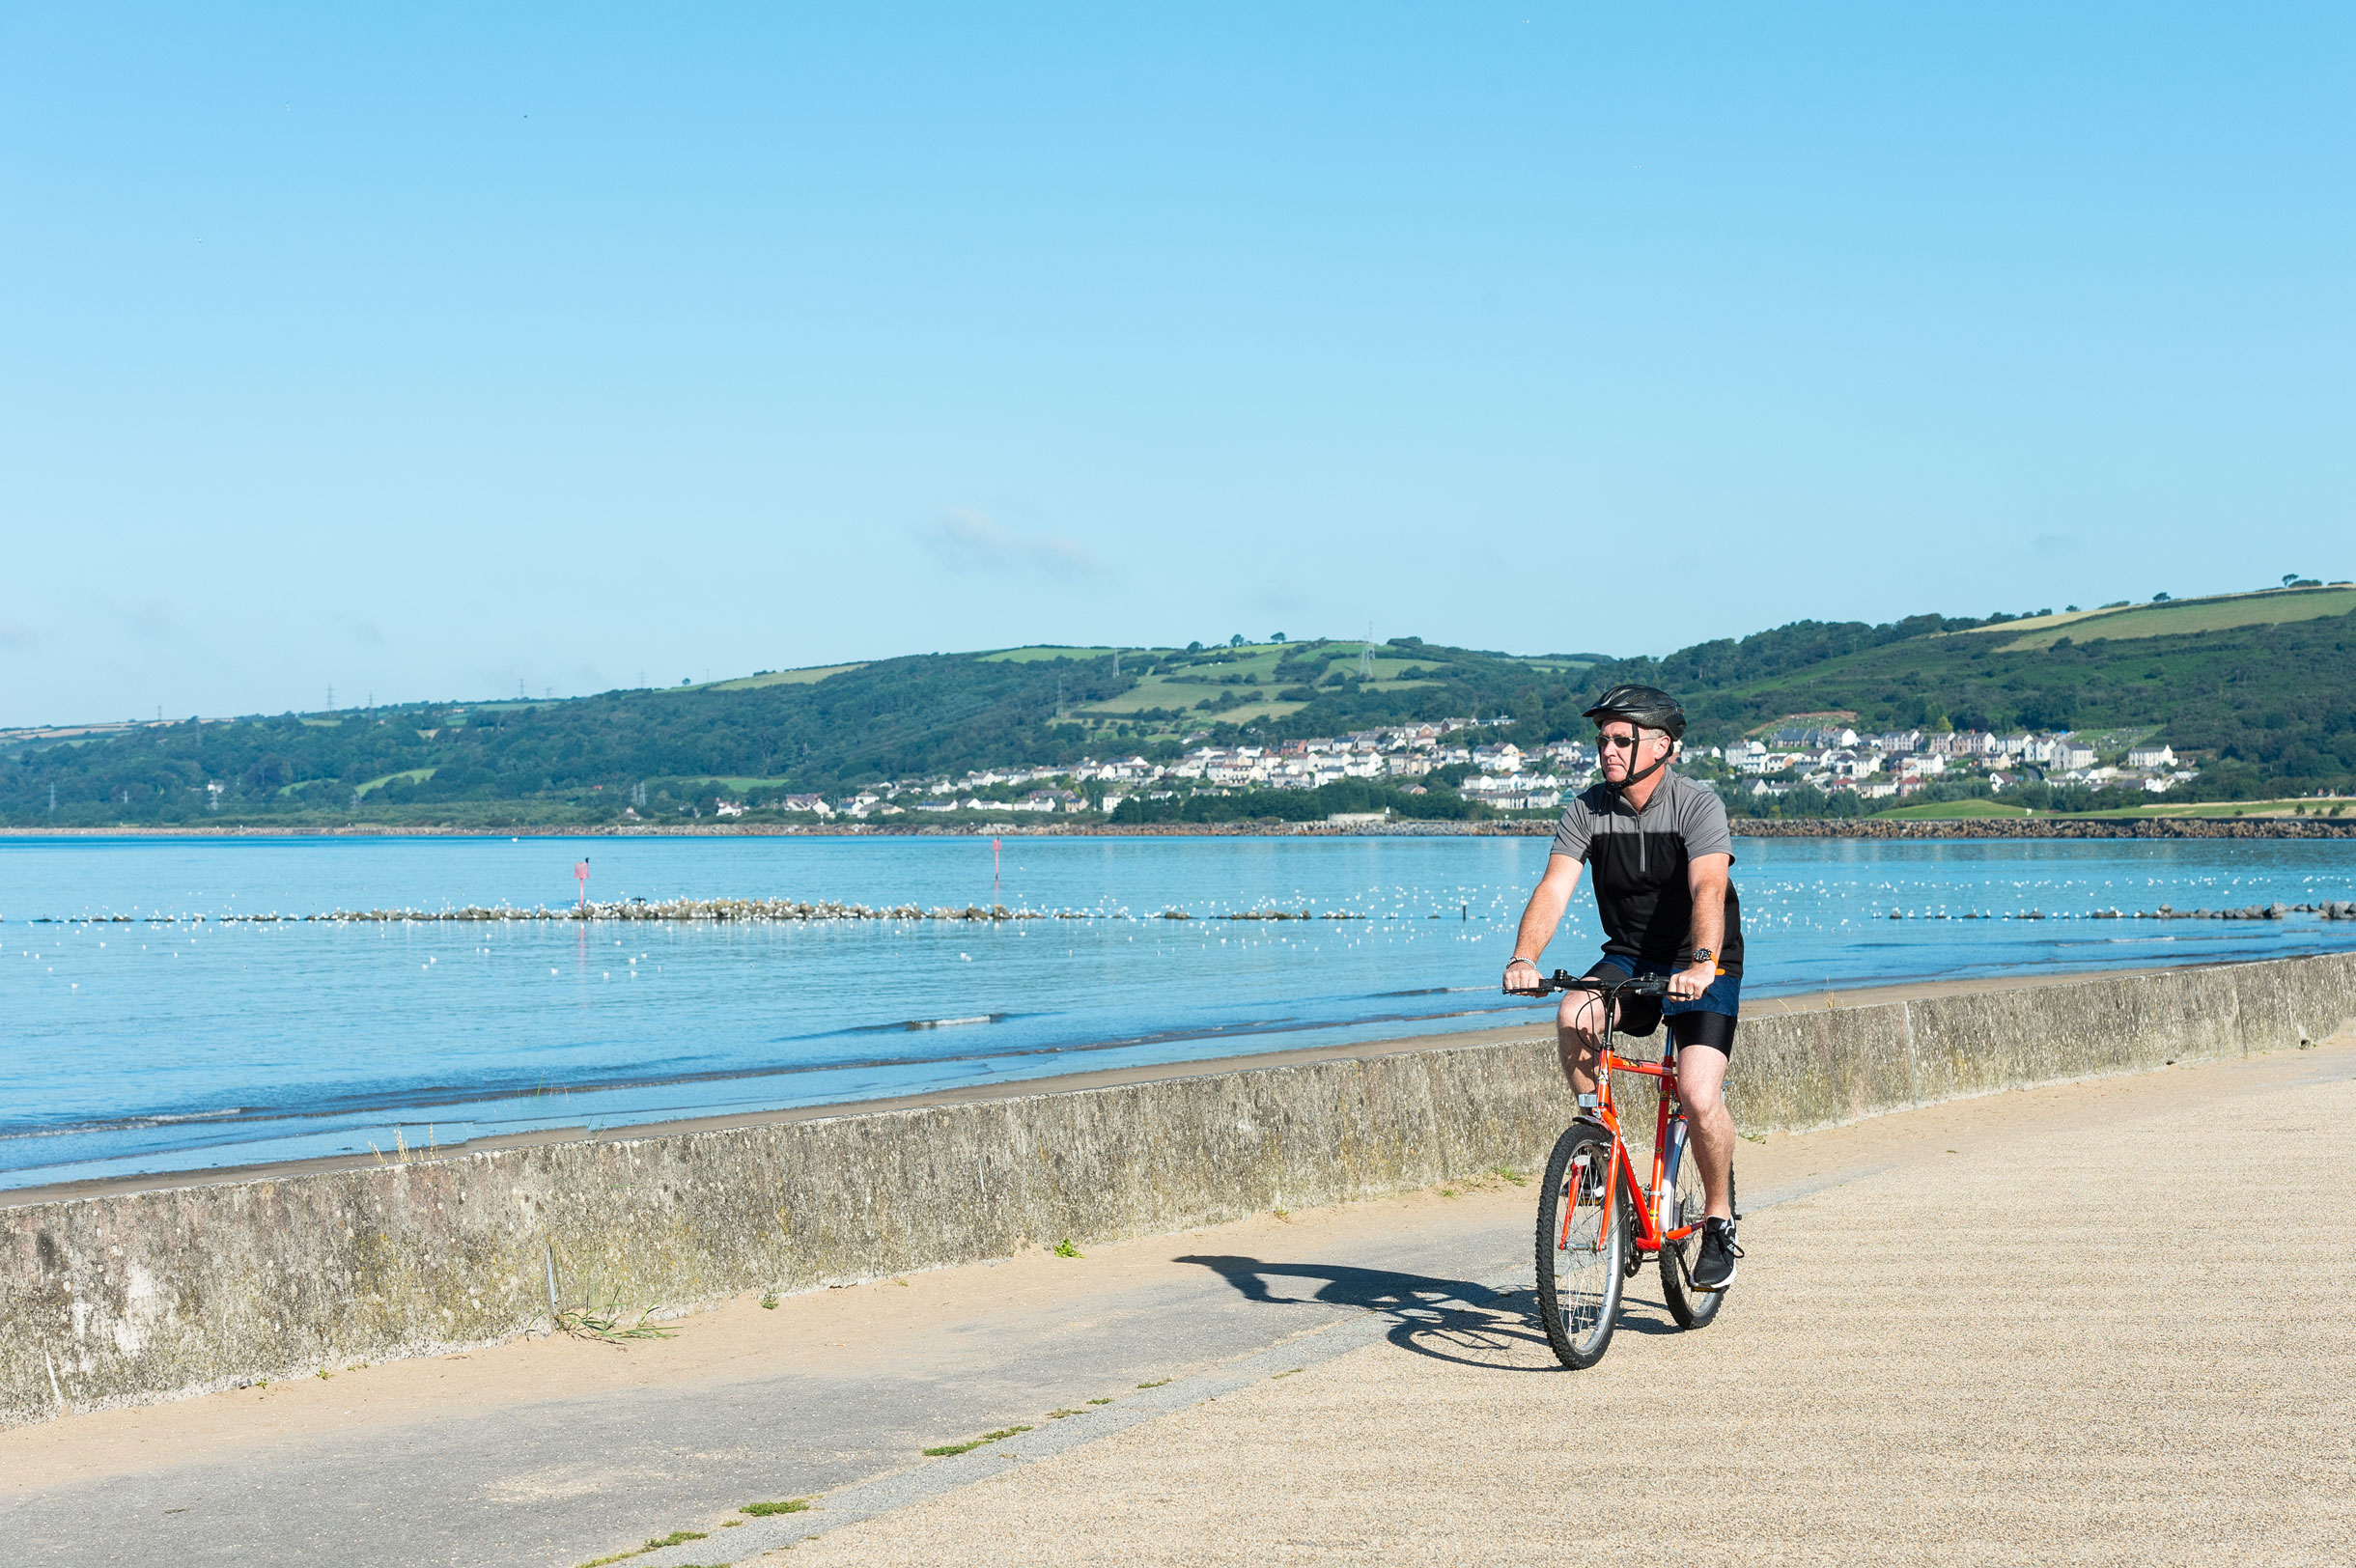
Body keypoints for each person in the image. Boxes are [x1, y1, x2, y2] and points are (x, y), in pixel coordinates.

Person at [1502, 684, 1746, 1291]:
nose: (1606, 749)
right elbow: (1554, 888)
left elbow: (1707, 891)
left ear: (1662, 745)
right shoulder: (1586, 809)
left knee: (1695, 1091)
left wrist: (1701, 963)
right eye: (1602, 739)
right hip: (1631, 957)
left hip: (1701, 958)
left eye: (1620, 738)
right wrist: (1524, 956)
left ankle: (1717, 1219)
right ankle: (1595, 1141)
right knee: (1573, 1012)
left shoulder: (1697, 806)